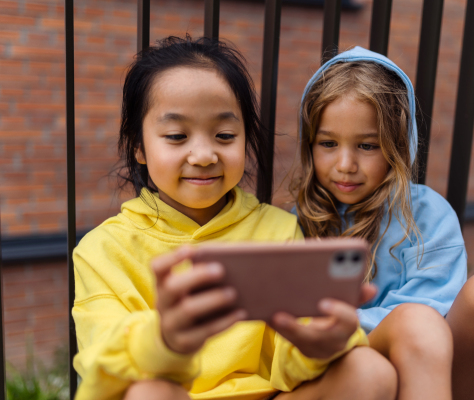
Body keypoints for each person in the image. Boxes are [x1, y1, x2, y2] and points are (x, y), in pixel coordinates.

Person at [71, 37, 398, 400]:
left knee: (370, 371)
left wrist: (323, 342)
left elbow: (289, 357)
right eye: (177, 136)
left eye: (224, 135)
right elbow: (100, 370)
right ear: (138, 146)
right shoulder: (103, 249)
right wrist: (163, 340)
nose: (204, 154)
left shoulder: (278, 229)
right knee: (150, 392)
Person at [293, 46, 474, 400]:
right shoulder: (296, 225)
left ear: (398, 146)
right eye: (328, 143)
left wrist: (347, 327)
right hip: (348, 382)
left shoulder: (425, 217)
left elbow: (428, 316)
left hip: (430, 379)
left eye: (367, 146)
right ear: (309, 145)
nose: (345, 163)